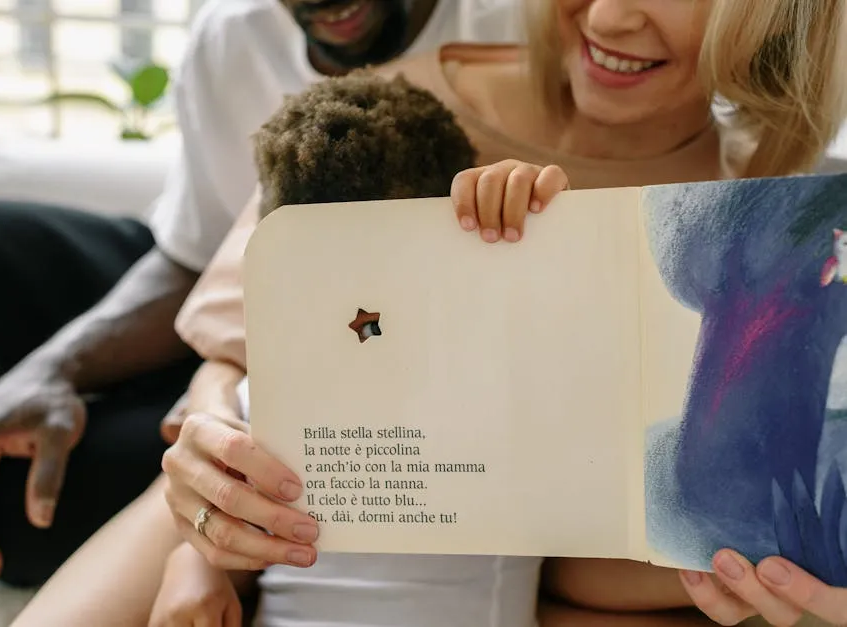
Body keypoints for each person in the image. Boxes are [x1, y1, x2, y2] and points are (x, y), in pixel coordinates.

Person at [156, 0, 847, 624]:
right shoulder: (389, 117)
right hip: (254, 503)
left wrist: (730, 567)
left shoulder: (767, 222)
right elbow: (241, 354)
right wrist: (203, 503)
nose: (607, 18)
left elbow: (571, 548)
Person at [0, 0, 522, 587]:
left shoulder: (508, 28)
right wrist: (48, 369)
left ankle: (3, 383)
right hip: (200, 291)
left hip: (314, 349)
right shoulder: (233, 31)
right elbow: (190, 251)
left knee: (3, 500)